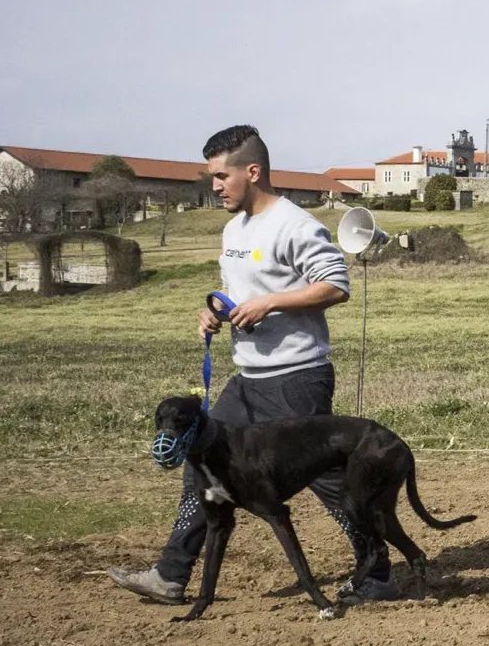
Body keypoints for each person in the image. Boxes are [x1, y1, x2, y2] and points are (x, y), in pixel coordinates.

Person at [109, 125, 397, 606]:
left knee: (326, 482)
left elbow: (336, 285)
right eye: (212, 177)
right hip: (246, 380)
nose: (215, 186)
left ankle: (378, 572)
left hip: (296, 380)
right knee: (201, 466)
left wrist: (270, 304)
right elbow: (237, 294)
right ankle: (171, 574)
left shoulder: (296, 225)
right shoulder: (233, 229)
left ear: (253, 171)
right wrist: (215, 313)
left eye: (221, 176)